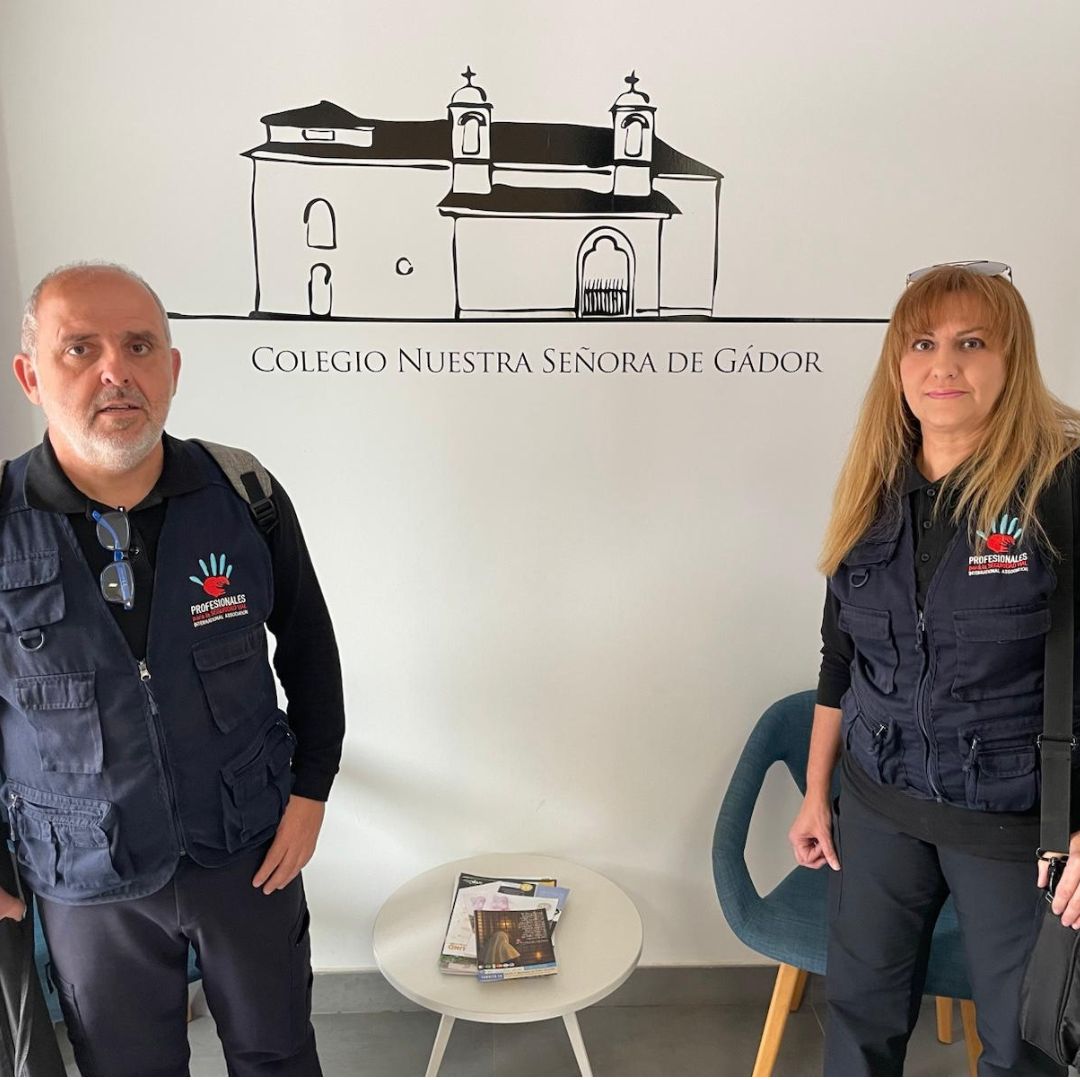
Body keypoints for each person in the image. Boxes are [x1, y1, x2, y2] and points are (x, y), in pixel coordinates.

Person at [0, 262, 345, 1075]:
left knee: (279, 1056)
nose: (114, 370)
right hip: (88, 879)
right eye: (79, 348)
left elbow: (309, 649)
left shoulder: (244, 494)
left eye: (139, 346)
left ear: (173, 368)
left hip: (248, 853)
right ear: (30, 376)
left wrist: (311, 794)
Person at [788, 261, 1080, 1076]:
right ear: (897, 364)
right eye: (922, 343)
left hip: (1015, 827)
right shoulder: (872, 487)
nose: (943, 364)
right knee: (858, 1027)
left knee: (1021, 1049)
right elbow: (840, 658)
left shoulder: (1062, 488)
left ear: (1011, 360)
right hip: (878, 810)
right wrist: (817, 791)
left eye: (971, 342)